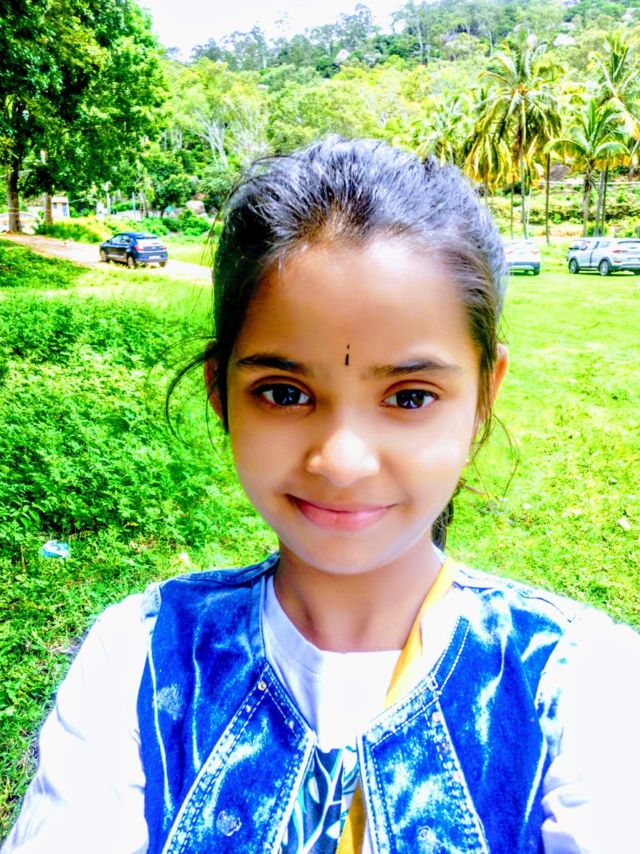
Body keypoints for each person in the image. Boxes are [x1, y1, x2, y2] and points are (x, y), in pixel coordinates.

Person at [3, 137, 639, 854]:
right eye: (284, 393)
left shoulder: (582, 686)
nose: (340, 461)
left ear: (484, 396)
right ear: (220, 393)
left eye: (409, 397)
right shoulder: (138, 659)